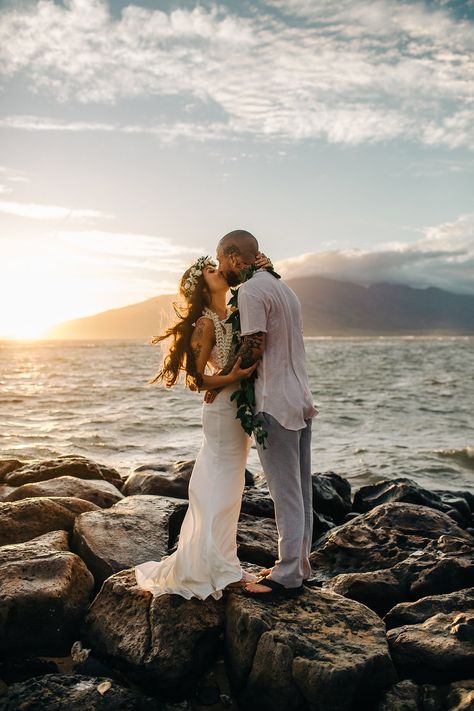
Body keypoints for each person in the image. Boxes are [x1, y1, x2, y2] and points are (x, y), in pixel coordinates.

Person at [134, 252, 271, 600]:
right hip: (223, 411)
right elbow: (196, 379)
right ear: (201, 285)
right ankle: (218, 565)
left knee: (231, 483)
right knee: (223, 485)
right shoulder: (207, 322)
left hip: (237, 409)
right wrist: (232, 377)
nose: (218, 271)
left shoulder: (237, 311)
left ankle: (223, 560)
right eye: (210, 270)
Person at [215, 229, 317, 600]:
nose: (219, 268)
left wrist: (222, 380)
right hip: (300, 397)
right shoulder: (282, 288)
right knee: (301, 491)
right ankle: (300, 565)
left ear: (233, 257)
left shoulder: (251, 290)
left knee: (284, 491)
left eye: (220, 260)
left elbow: (253, 345)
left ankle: (288, 574)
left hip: (274, 401)